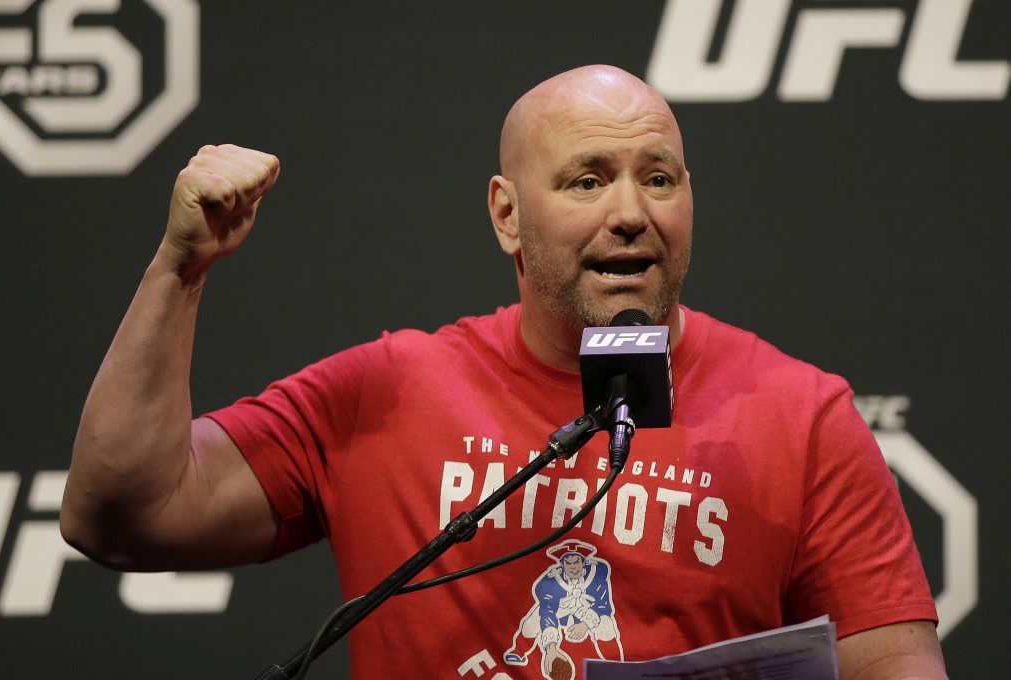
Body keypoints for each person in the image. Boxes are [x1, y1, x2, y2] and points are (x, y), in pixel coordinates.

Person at [60, 65, 948, 680]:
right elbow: (123, 513)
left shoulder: (803, 415)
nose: (631, 213)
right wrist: (181, 269)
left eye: (660, 178)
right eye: (587, 180)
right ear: (507, 216)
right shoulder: (387, 391)